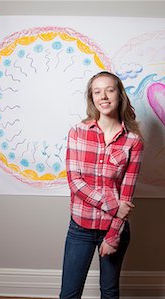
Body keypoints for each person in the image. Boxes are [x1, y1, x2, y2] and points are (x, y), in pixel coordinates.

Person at [59, 71, 144, 299]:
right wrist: (112, 205)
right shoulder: (77, 132)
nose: (104, 96)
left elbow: (127, 192)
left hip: (113, 229)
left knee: (109, 291)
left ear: (119, 95)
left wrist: (114, 234)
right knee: (69, 294)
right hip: (80, 227)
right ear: (92, 98)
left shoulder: (133, 141)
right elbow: (75, 182)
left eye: (110, 90)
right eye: (97, 91)